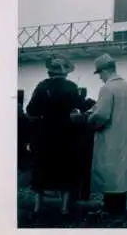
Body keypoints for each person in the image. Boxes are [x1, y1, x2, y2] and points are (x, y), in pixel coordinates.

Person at [25, 54, 86, 219]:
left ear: (49, 72)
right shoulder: (71, 87)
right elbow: (81, 106)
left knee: (41, 169)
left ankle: (38, 207)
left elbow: (31, 110)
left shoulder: (42, 86)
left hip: (45, 134)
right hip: (66, 134)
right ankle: (64, 208)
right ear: (66, 72)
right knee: (65, 169)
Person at [87, 53, 127, 218]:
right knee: (121, 172)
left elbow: (102, 115)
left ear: (104, 71)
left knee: (108, 172)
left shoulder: (107, 88)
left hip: (110, 137)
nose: (100, 78)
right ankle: (119, 207)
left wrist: (90, 119)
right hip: (126, 136)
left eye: (99, 74)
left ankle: (109, 208)